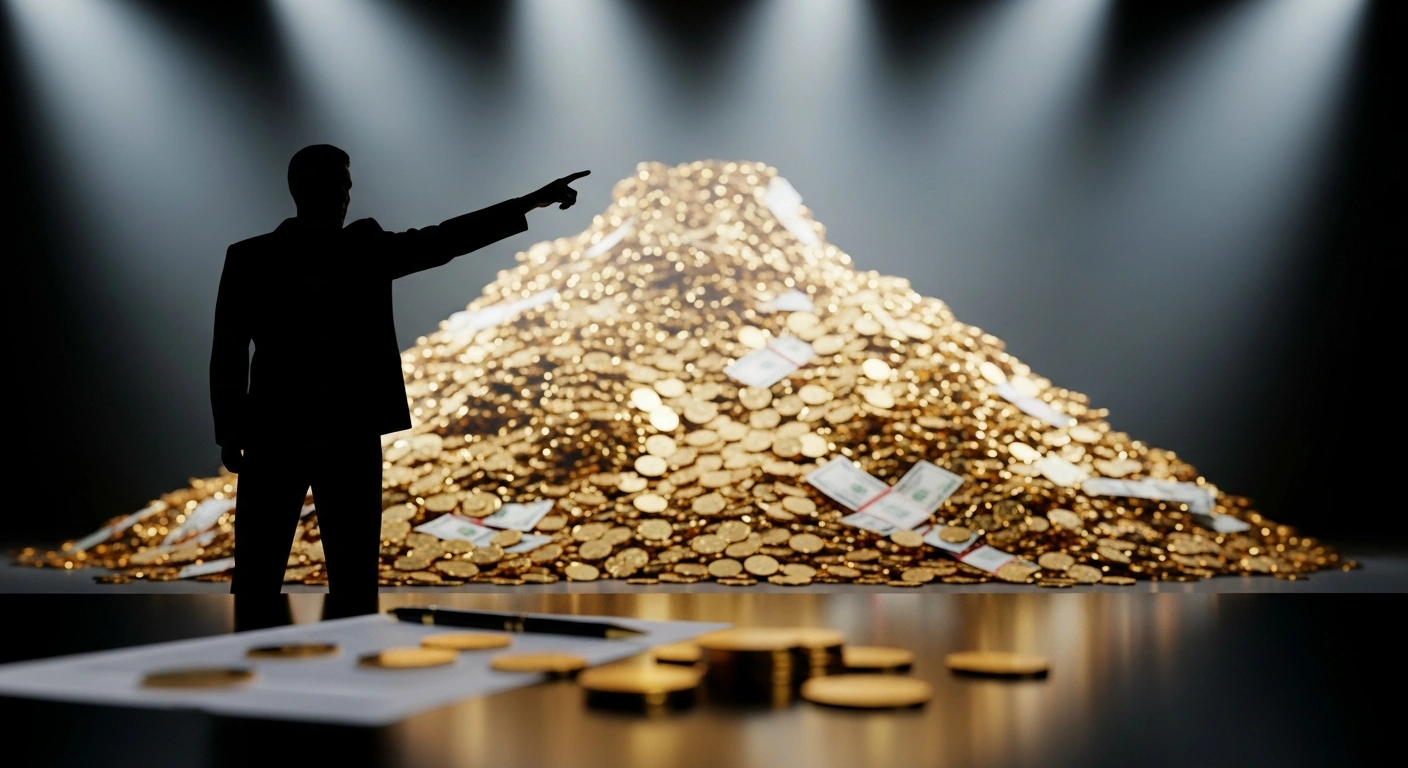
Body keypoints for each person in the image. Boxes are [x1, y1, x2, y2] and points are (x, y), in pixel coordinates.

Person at [211, 144, 587, 607]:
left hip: (286, 430)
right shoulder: (358, 250)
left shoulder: (259, 256)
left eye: (346, 184)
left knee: (268, 570)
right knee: (331, 572)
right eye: (339, 184)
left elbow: (228, 351)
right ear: (312, 190)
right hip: (339, 430)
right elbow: (446, 239)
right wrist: (529, 202)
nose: (346, 193)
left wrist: (230, 433)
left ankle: (249, 661)